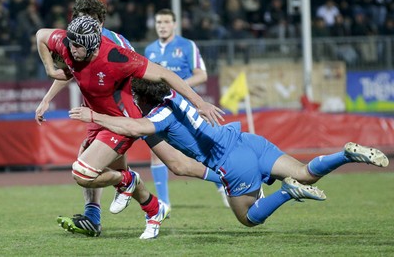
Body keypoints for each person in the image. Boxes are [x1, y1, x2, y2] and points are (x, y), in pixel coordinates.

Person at [69, 79, 389, 227]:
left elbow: (134, 130)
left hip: (231, 163)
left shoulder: (156, 119)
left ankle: (289, 193)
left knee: (249, 218)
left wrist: (94, 118)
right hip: (247, 140)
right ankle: (346, 154)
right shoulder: (179, 100)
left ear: (142, 99)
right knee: (305, 171)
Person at [35, 0, 224, 238]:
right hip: (96, 117)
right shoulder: (70, 40)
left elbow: (163, 75)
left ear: (99, 29)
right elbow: (42, 35)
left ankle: (226, 175)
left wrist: (199, 103)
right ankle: (152, 209)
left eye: (78, 46)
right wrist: (50, 73)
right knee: (99, 173)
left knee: (173, 164)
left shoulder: (117, 53)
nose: (71, 50)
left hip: (124, 120)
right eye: (71, 40)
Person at [144, 8, 228, 209]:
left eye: (166, 22)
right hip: (161, 107)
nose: (162, 26)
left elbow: (202, 75)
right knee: (156, 149)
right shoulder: (149, 50)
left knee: (199, 151)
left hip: (184, 107)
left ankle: (222, 185)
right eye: (159, 22)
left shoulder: (186, 46)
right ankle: (164, 202)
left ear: (174, 24)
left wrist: (178, 84)